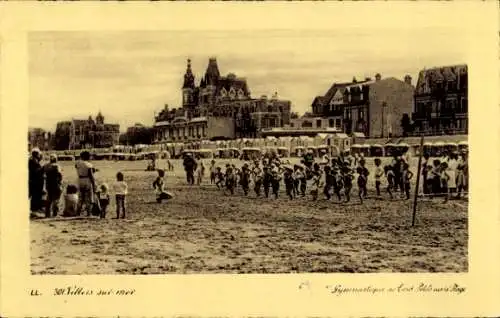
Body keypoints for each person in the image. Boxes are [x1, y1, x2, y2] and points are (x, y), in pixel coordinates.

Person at [75, 151, 96, 216]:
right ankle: (89, 213)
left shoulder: (78, 163)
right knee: (88, 198)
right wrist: (94, 183)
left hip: (80, 179)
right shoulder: (89, 164)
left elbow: (77, 166)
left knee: (80, 197)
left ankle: (77, 212)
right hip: (87, 180)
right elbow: (91, 175)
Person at [29, 148, 45, 213]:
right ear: (36, 154)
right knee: (36, 195)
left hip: (35, 180)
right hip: (35, 181)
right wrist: (43, 168)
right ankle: (35, 208)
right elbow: (36, 171)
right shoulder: (33, 161)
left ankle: (36, 207)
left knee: (36, 195)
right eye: (38, 154)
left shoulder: (33, 160)